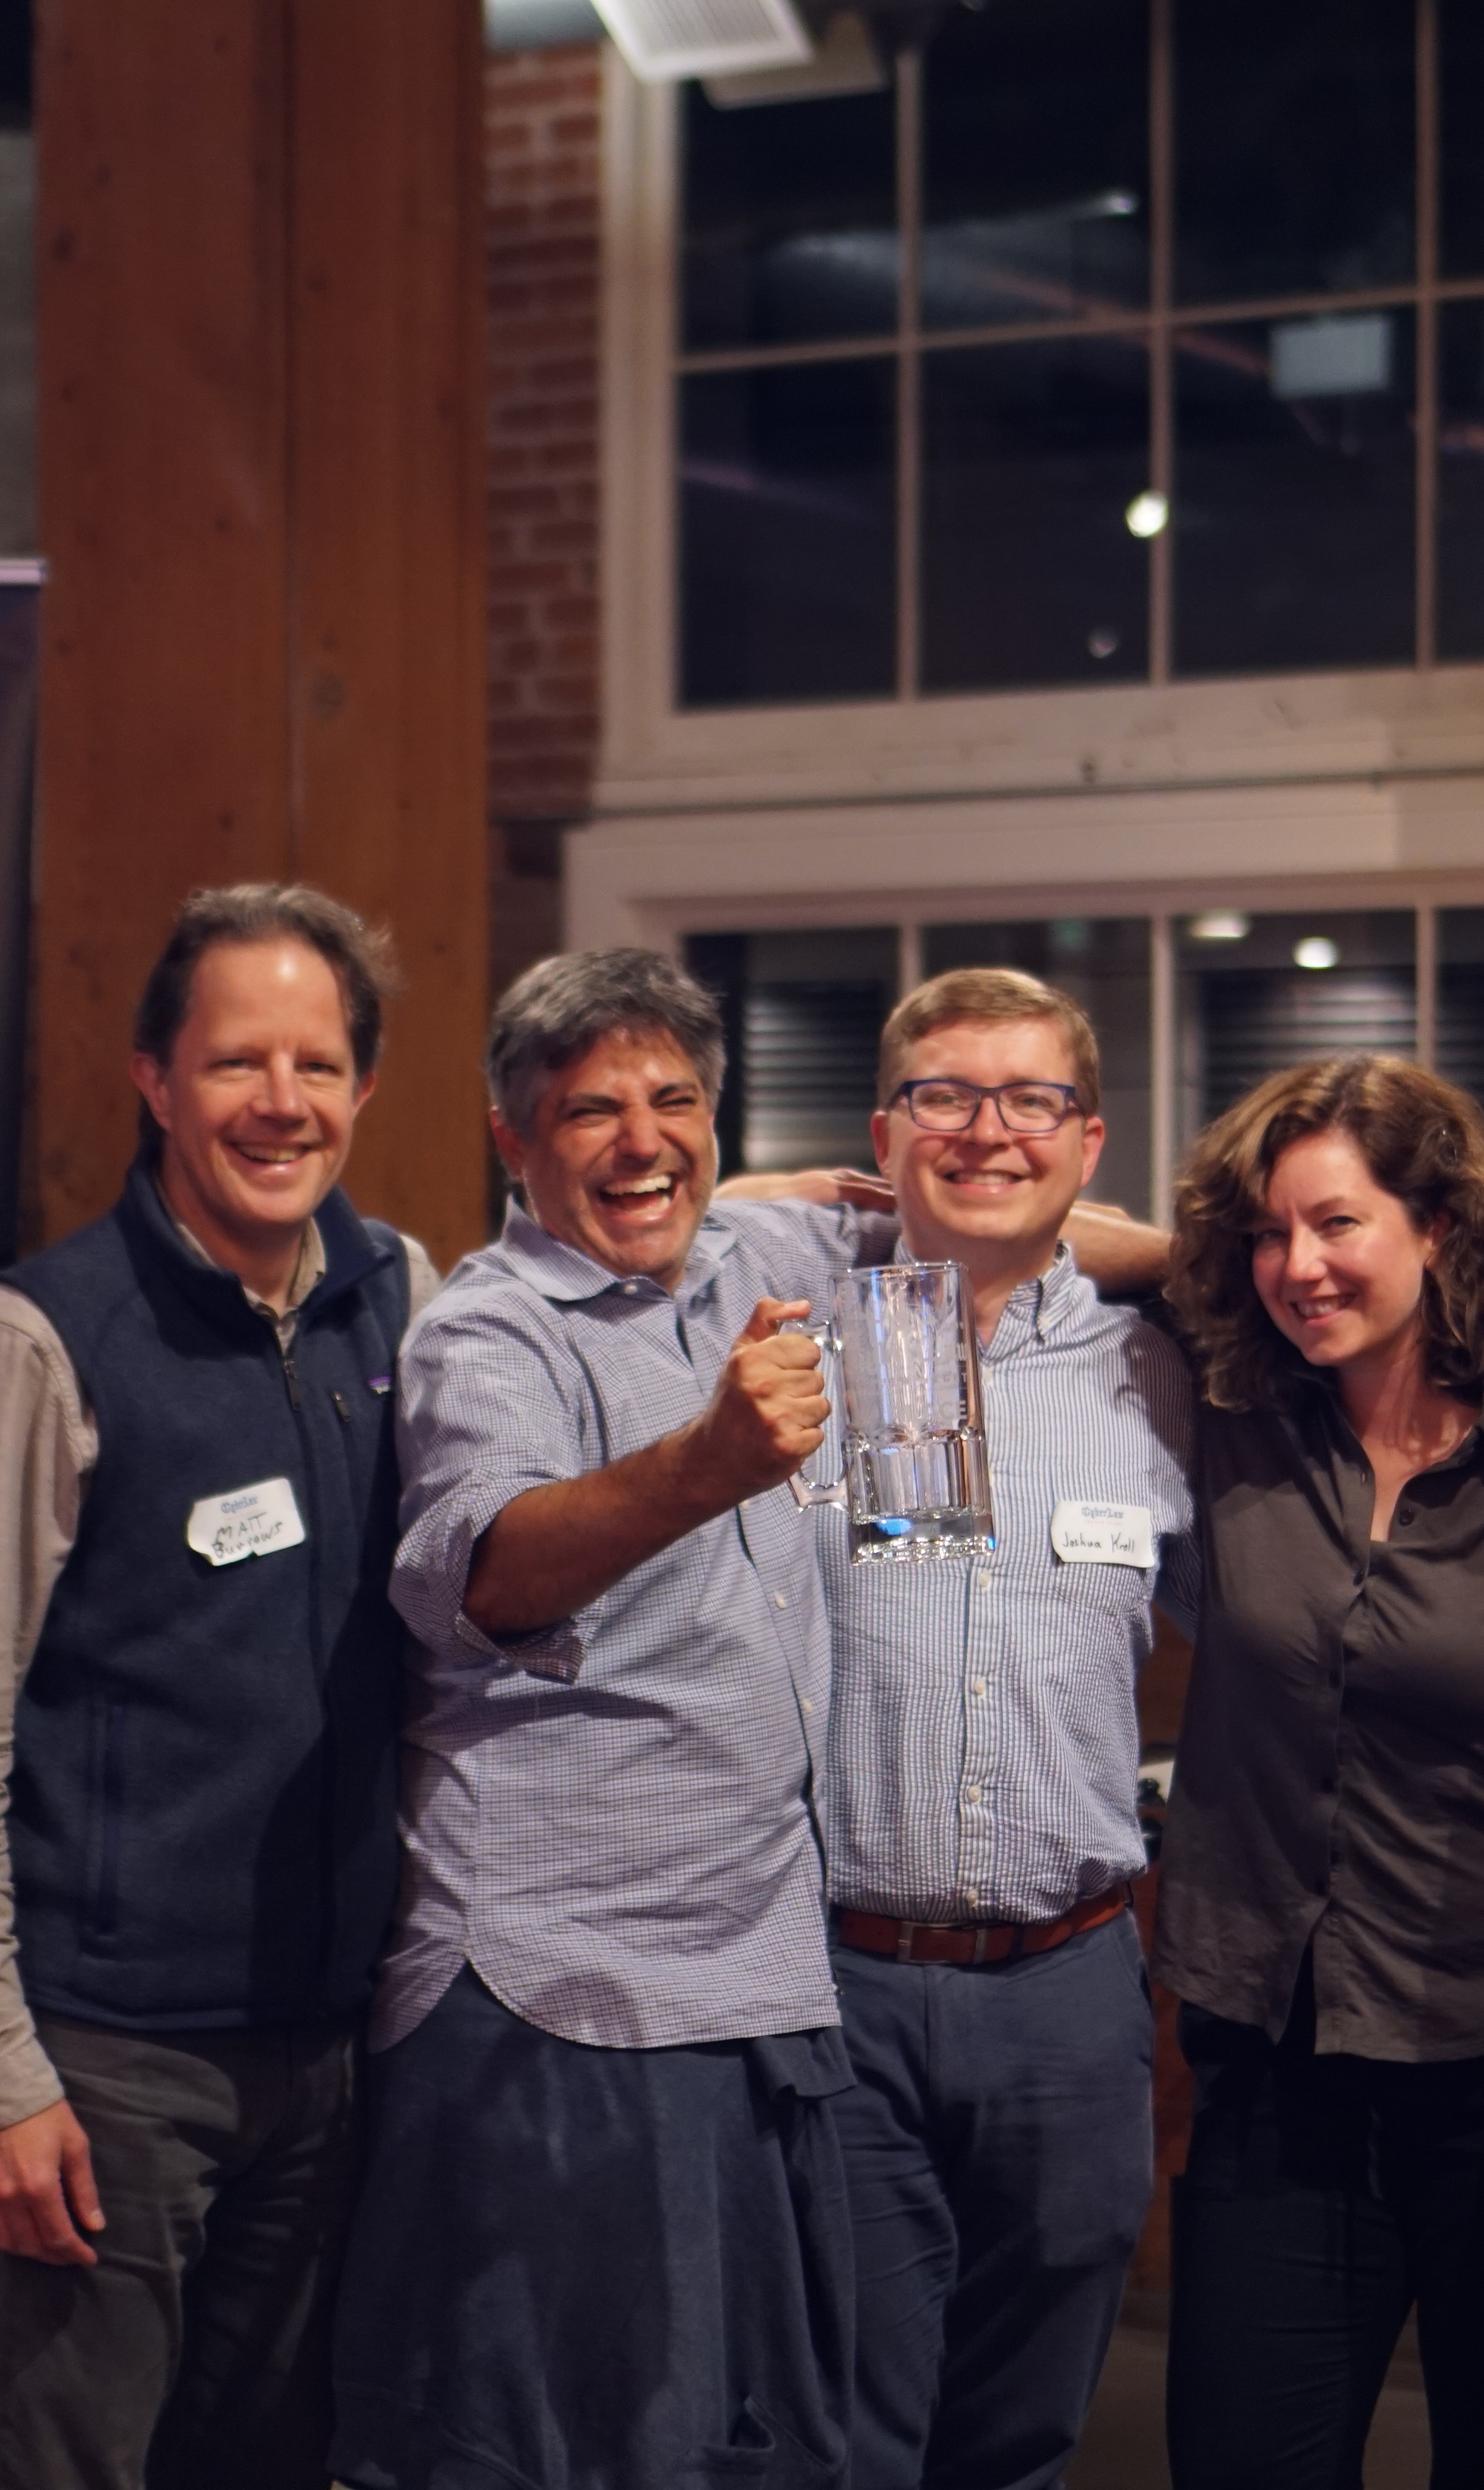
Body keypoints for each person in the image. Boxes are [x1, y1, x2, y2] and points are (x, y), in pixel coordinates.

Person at [0, 884, 430, 2488]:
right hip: (102, 2076)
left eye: (318, 1064)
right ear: (155, 1079)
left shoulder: (403, 1290)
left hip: (328, 2065)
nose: (280, 1101)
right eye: (237, 1060)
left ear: (365, 1088)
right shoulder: (36, 1341)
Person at [328, 947, 863, 2489]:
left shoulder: (753, 1254)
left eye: (673, 1100)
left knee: (741, 2457)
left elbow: (982, 1212)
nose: (642, 1141)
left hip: (757, 1984)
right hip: (563, 1996)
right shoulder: (491, 1328)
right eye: (589, 1111)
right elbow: (482, 1567)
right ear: (512, 1137)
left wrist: (1187, 1255)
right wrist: (708, 1462)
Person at [1150, 1055, 1484, 2489]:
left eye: (1338, 1222)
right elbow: (1026, 1230)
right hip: (1275, 2054)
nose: (1299, 1265)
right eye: (1267, 1233)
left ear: (1439, 1225)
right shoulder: (1235, 1406)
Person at [809, 967, 1196, 2490]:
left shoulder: (1161, 1374)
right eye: (944, 1096)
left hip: (1071, 1995)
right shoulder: (785, 1341)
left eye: (1031, 1099)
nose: (988, 1131)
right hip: (837, 1982)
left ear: (1089, 1139)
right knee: (846, 2441)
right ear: (882, 1134)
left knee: (1027, 2438)